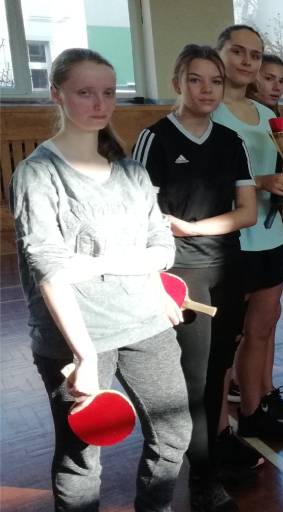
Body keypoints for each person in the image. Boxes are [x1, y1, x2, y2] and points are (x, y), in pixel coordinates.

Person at [12, 48, 191, 511]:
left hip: (146, 322)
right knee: (81, 455)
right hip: (77, 339)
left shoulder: (132, 172)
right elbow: (51, 271)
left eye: (109, 93)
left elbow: (163, 250)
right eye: (85, 92)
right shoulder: (38, 174)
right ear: (57, 94)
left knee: (175, 432)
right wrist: (85, 356)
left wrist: (98, 266)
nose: (100, 104)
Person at [133, 44, 268, 508]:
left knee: (217, 374)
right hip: (182, 274)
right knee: (193, 380)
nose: (206, 89)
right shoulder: (155, 138)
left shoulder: (231, 141)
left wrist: (193, 228)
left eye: (215, 81)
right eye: (196, 79)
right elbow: (139, 216)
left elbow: (247, 213)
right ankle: (201, 478)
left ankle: (210, 458)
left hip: (227, 269)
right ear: (177, 83)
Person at [213, 25, 283, 438]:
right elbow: (209, 183)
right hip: (232, 243)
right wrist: (262, 182)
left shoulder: (268, 116)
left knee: (261, 331)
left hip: (271, 238)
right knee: (226, 340)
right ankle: (217, 431)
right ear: (219, 54)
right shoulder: (210, 112)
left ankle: (252, 410)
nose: (246, 61)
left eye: (254, 54)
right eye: (238, 52)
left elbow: (279, 173)